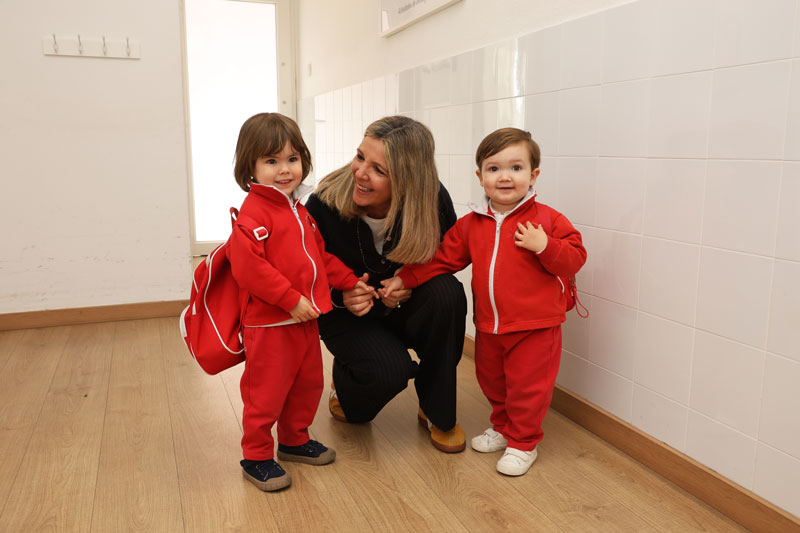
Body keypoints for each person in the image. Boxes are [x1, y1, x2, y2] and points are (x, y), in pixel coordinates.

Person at [381, 127, 587, 476]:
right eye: (493, 168)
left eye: (516, 168)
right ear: (480, 176)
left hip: (535, 327)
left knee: (527, 387)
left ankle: (523, 442)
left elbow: (575, 257)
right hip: (489, 326)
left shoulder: (547, 220)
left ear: (533, 175)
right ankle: (504, 427)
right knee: (492, 380)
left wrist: (545, 246)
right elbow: (442, 259)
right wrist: (406, 278)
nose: (504, 176)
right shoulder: (472, 223)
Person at [304, 115, 468, 453]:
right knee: (366, 401)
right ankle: (346, 381)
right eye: (360, 156)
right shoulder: (323, 203)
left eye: (379, 170)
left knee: (448, 293)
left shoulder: (433, 200)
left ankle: (436, 408)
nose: (361, 173)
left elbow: (446, 258)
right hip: (349, 316)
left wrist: (410, 282)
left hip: (405, 306)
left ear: (409, 179)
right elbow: (307, 273)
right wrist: (341, 296)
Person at [228, 112, 373, 491]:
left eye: (292, 159)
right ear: (250, 166)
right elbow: (250, 269)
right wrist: (291, 300)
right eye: (271, 161)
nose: (284, 170)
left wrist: (348, 281)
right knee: (266, 393)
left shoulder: (300, 211)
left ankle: (294, 439)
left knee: (307, 384)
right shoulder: (254, 213)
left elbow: (319, 258)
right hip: (271, 324)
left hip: (305, 321)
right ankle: (256, 456)